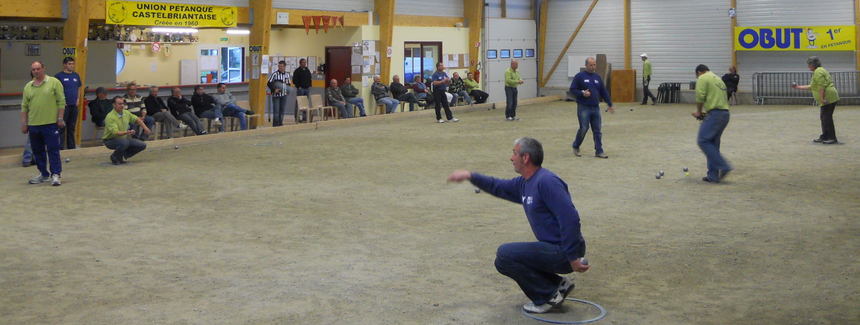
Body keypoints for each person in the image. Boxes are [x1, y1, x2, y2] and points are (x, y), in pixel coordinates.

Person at [446, 137, 589, 314]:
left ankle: (547, 296)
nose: (511, 158)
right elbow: (498, 186)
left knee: (506, 253)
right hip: (555, 249)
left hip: (564, 252)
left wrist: (573, 256)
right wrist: (470, 176)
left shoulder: (547, 182)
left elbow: (570, 219)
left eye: (514, 153)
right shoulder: (524, 183)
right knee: (502, 261)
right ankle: (556, 287)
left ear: (525, 158)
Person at [21, 61, 65, 186]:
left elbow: (61, 101)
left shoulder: (54, 82)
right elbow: (24, 106)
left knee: (53, 150)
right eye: (33, 69)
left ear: (43, 69)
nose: (36, 71)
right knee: (37, 151)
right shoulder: (28, 86)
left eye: (38, 69)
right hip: (34, 125)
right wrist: (24, 123)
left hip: (50, 124)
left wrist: (60, 118)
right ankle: (43, 174)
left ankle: (56, 174)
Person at [693, 64, 732, 183]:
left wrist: (699, 112)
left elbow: (700, 96)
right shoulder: (718, 79)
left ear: (699, 72)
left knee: (703, 140)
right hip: (724, 113)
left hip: (715, 114)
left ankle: (723, 165)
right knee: (713, 144)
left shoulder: (702, 78)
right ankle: (713, 175)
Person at [571, 57, 614, 159]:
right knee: (584, 128)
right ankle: (576, 145)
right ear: (586, 65)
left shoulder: (597, 77)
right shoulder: (579, 77)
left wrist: (609, 104)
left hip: (595, 108)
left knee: (597, 130)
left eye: (594, 65)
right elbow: (572, 89)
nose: (593, 67)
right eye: (591, 65)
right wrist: (582, 93)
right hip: (583, 107)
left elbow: (603, 91)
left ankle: (599, 151)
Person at [792, 56, 839, 144]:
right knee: (824, 117)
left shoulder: (818, 72)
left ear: (813, 65)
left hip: (828, 97)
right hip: (829, 97)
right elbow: (812, 86)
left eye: (809, 65)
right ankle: (825, 136)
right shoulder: (819, 71)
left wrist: (822, 99)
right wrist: (798, 87)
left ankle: (832, 138)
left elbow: (821, 87)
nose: (808, 67)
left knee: (827, 118)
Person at [103, 96, 150, 165]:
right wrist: (127, 132)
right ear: (114, 105)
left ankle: (122, 155)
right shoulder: (110, 117)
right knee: (124, 143)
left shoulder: (126, 113)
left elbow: (137, 119)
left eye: (123, 104)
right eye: (119, 104)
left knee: (142, 145)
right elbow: (116, 133)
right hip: (110, 140)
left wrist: (146, 128)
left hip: (123, 139)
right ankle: (114, 156)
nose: (122, 105)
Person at [55, 57, 82, 149]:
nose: (72, 66)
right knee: (61, 127)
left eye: (73, 64)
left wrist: (78, 99)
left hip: (74, 105)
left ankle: (71, 147)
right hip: (64, 106)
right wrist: (61, 101)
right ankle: (60, 147)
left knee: (71, 127)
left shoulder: (76, 76)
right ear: (65, 65)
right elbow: (56, 91)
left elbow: (79, 87)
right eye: (69, 64)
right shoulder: (58, 76)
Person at [267, 60, 291, 126]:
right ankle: (275, 125)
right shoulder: (275, 74)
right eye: (279, 66)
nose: (280, 68)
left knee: (282, 110)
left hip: (284, 95)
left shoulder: (287, 75)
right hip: (276, 95)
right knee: (276, 111)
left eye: (282, 66)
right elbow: (269, 83)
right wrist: (274, 89)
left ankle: (280, 123)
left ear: (285, 67)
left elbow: (288, 84)